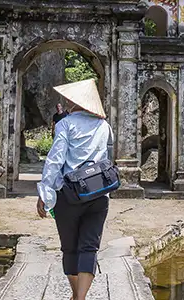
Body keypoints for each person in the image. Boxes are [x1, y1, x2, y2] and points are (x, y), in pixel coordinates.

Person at [36, 79, 113, 300]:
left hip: (69, 195)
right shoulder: (104, 126)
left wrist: (44, 193)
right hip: (99, 194)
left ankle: (78, 297)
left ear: (76, 102)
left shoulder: (66, 124)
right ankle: (79, 297)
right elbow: (106, 158)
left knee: (69, 248)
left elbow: (55, 160)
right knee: (89, 247)